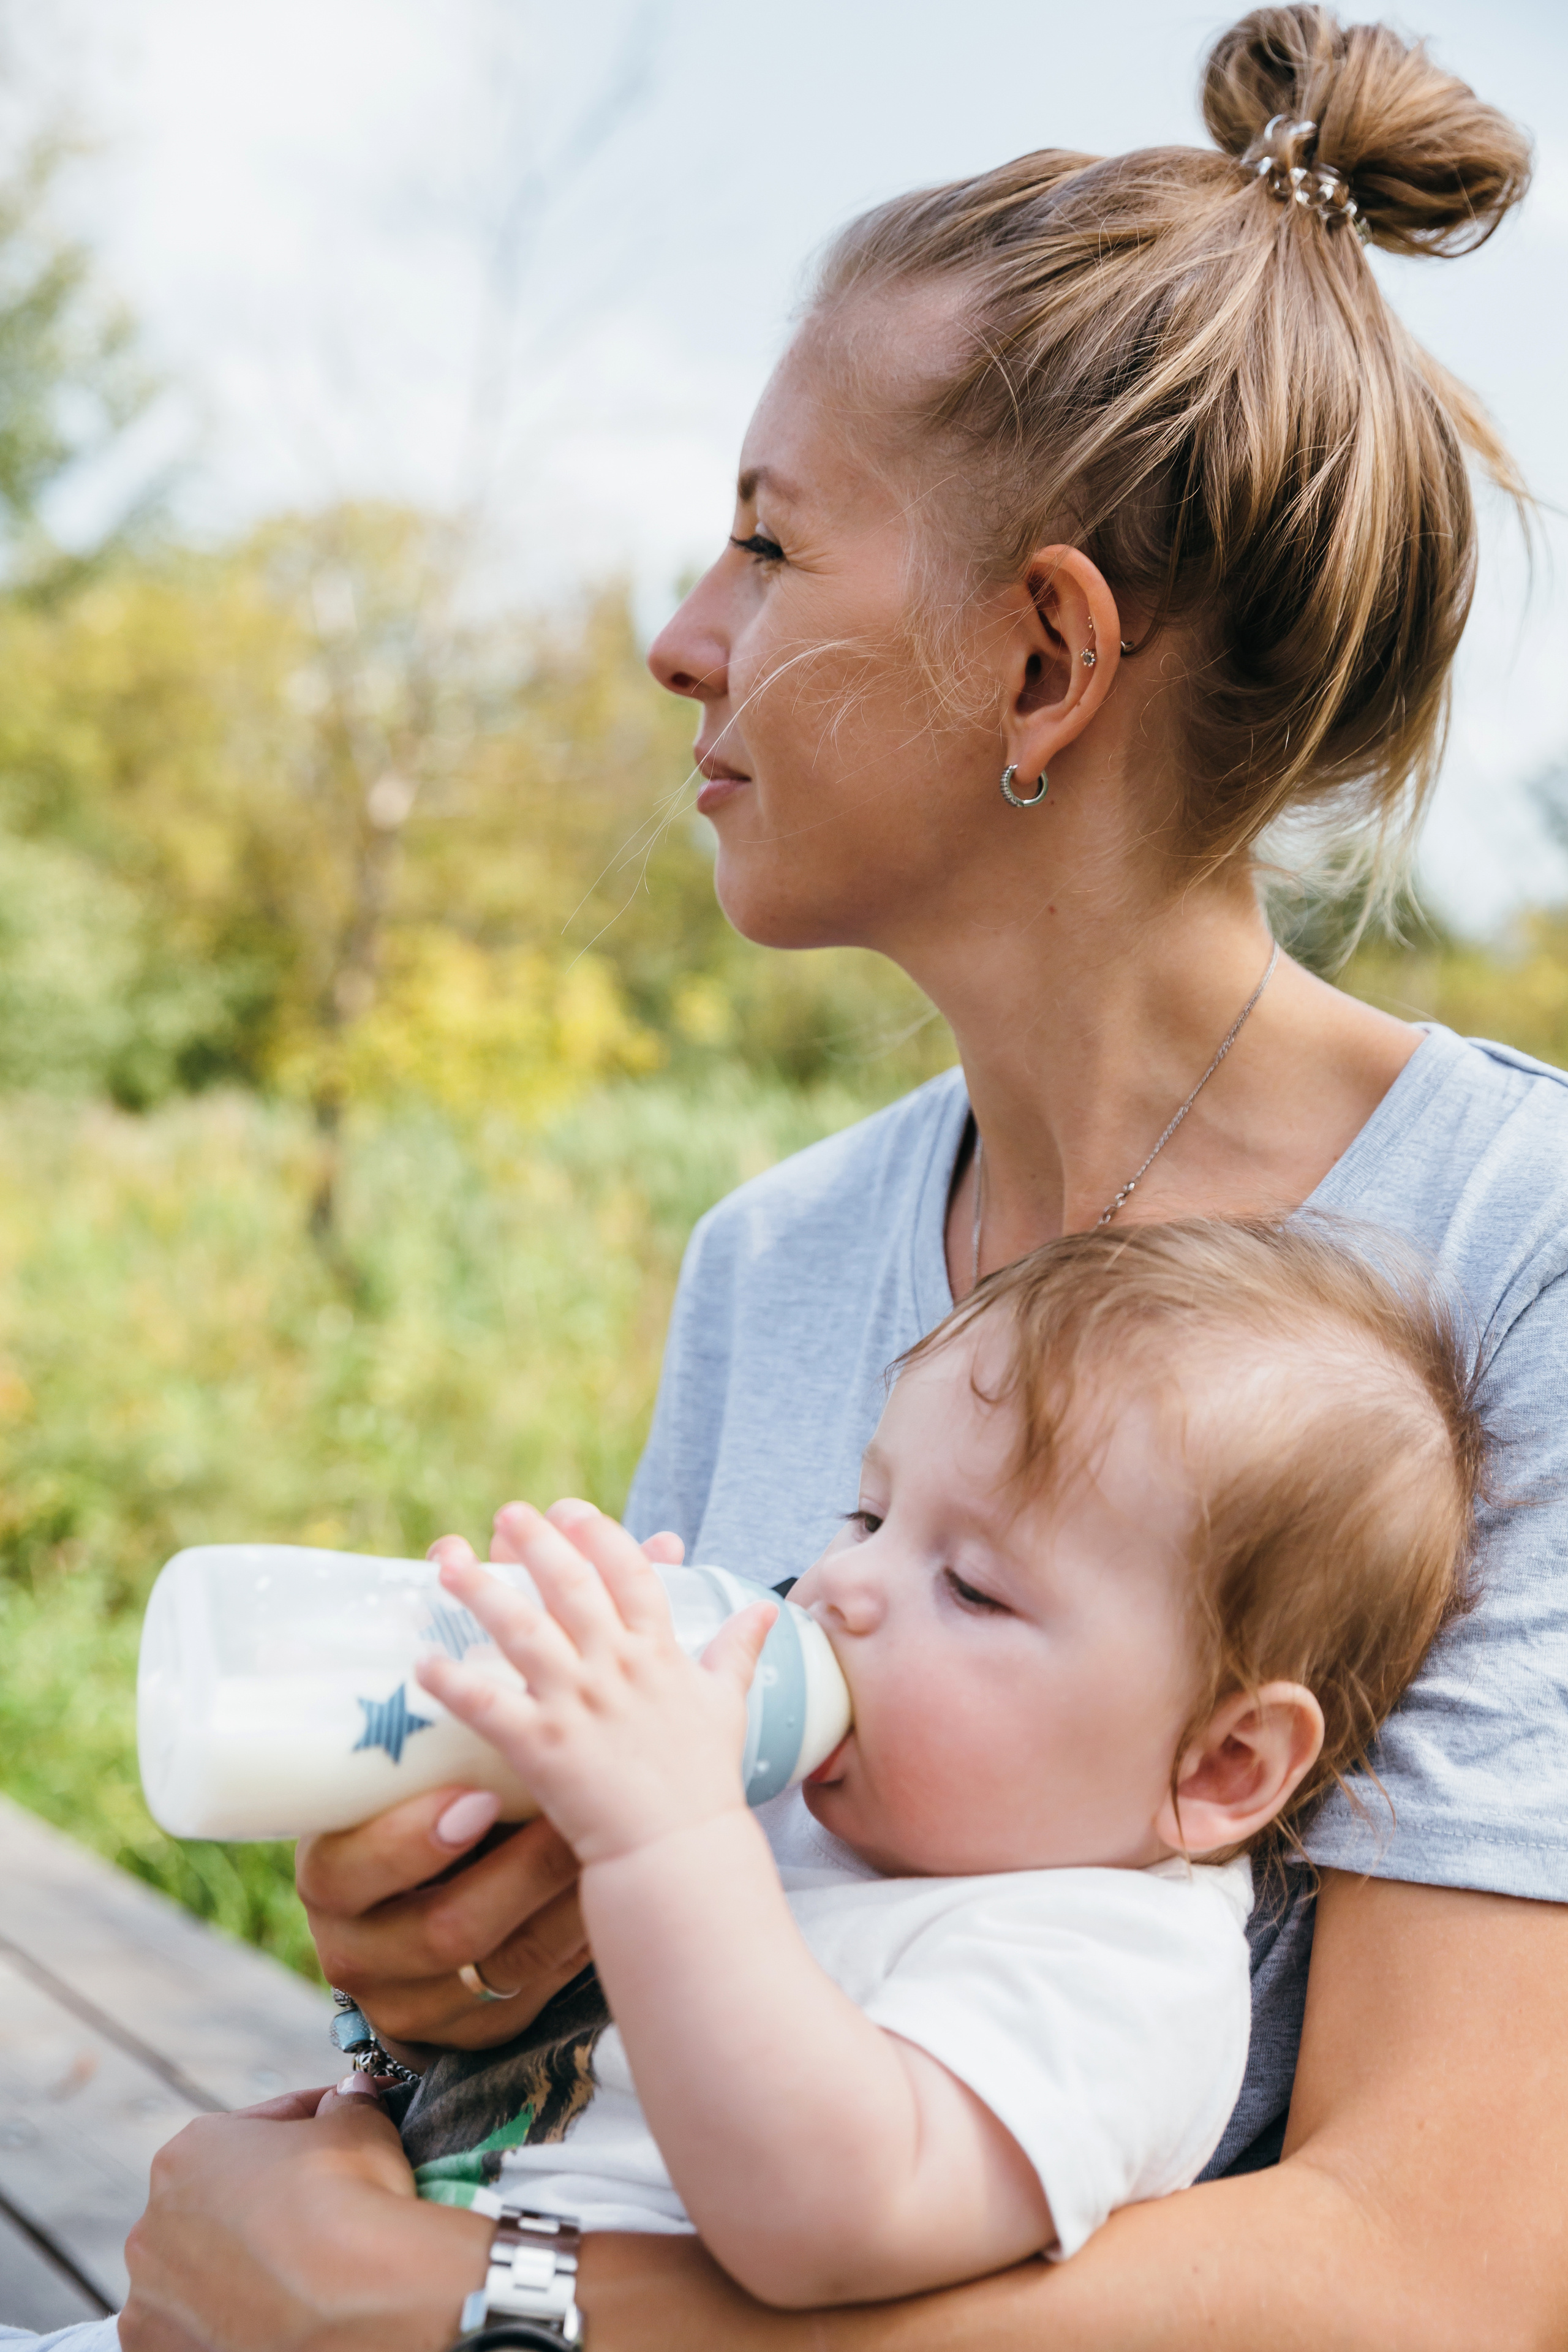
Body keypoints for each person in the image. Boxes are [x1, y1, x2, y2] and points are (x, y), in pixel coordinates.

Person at [118, 6, 1568, 2348]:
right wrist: (461, 1977)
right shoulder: (781, 1262)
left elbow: (1448, 2277)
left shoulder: (1519, 1251)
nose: (683, 641)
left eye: (770, 545)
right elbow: (663, 2004)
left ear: (1044, 659)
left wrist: (493, 2321)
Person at [396, 1217, 1485, 2305]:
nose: (838, 1587)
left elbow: (830, 2216)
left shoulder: (1118, 1970)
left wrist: (666, 1835)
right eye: (867, 1514)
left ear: (1222, 1765)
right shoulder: (809, 1807)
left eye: (970, 1586)